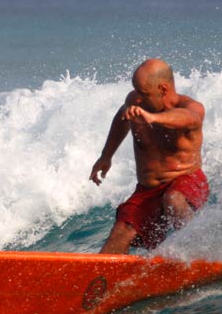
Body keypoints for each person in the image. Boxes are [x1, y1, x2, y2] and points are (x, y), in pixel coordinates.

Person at [89, 59, 209, 254]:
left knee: (174, 199)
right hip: (148, 189)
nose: (137, 98)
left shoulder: (191, 108)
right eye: (136, 91)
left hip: (187, 180)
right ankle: (101, 272)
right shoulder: (136, 101)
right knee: (122, 230)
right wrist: (106, 156)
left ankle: (199, 253)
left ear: (163, 89)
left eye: (143, 93)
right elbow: (122, 118)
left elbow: (190, 118)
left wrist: (154, 118)